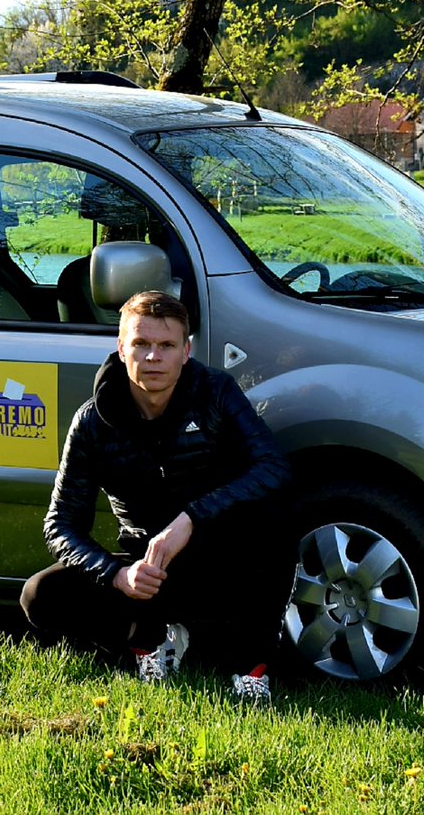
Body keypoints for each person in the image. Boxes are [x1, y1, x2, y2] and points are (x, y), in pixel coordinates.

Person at [20, 290, 295, 699]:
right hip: (147, 569)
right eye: (141, 344)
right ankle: (149, 641)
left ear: (185, 351)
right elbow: (59, 524)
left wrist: (191, 519)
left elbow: (274, 467)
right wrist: (116, 575)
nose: (153, 357)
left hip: (221, 557)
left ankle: (249, 668)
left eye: (166, 345)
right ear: (121, 347)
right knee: (39, 595)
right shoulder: (92, 421)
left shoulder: (216, 391)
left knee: (278, 517)